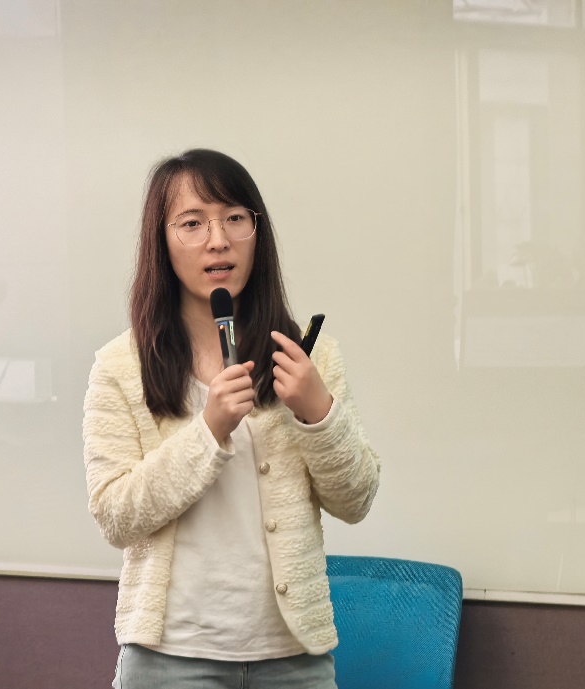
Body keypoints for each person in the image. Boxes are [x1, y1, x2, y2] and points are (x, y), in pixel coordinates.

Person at [82, 148, 380, 688]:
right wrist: (208, 430)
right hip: (170, 657)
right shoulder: (121, 367)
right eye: (192, 223)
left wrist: (318, 414)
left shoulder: (310, 356)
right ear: (161, 242)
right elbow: (115, 516)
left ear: (256, 233)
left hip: (293, 657)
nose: (218, 240)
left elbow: (356, 500)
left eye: (235, 218)